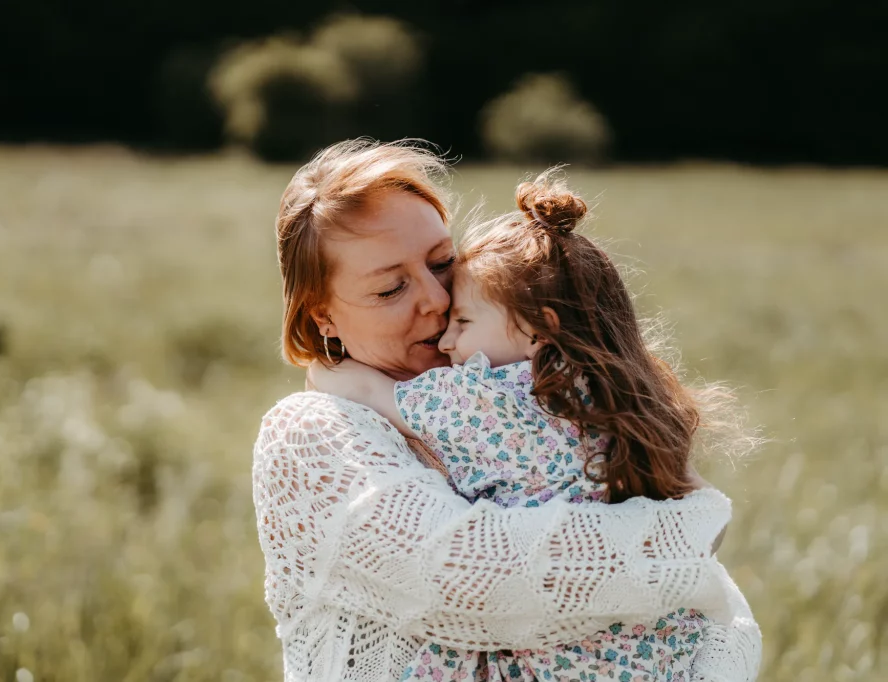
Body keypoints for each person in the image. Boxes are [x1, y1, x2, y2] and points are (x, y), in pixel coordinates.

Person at [252, 139, 761, 682]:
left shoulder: (541, 396)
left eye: (443, 262)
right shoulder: (310, 432)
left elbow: (720, 622)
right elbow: (480, 580)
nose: (438, 299)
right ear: (322, 315)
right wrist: (681, 537)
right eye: (391, 288)